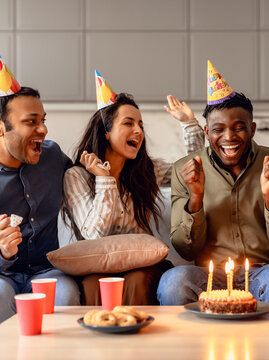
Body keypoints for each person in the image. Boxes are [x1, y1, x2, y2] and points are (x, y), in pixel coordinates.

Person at [0, 51, 80, 342]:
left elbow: (85, 183)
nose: (43, 129)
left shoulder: (51, 156)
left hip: (43, 272)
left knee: (66, 290)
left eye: (43, 120)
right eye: (31, 121)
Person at [157, 61, 269, 306]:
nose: (229, 137)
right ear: (206, 132)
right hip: (209, 274)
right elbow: (186, 250)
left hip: (263, 272)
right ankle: (189, 344)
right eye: (219, 129)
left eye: (239, 128)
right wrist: (195, 199)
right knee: (173, 282)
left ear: (252, 129)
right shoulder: (185, 170)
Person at [62, 71, 204, 305]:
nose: (138, 131)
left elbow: (193, 169)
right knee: (93, 283)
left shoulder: (148, 171)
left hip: (142, 264)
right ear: (105, 132)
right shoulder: (76, 176)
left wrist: (189, 123)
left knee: (138, 279)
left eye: (140, 124)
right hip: (96, 265)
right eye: (128, 123)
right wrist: (104, 180)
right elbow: (93, 234)